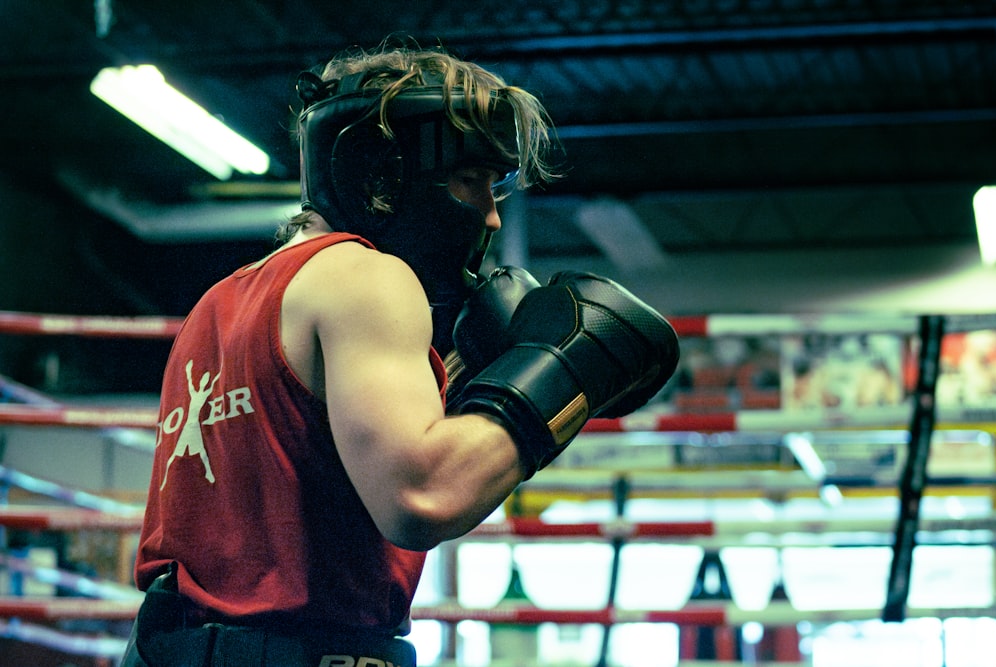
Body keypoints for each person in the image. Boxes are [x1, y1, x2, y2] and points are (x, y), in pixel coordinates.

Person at [121, 38, 680, 667]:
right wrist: (568, 370)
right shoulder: (368, 277)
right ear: (381, 176)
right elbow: (421, 495)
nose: (492, 219)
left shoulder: (218, 306)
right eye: (471, 182)